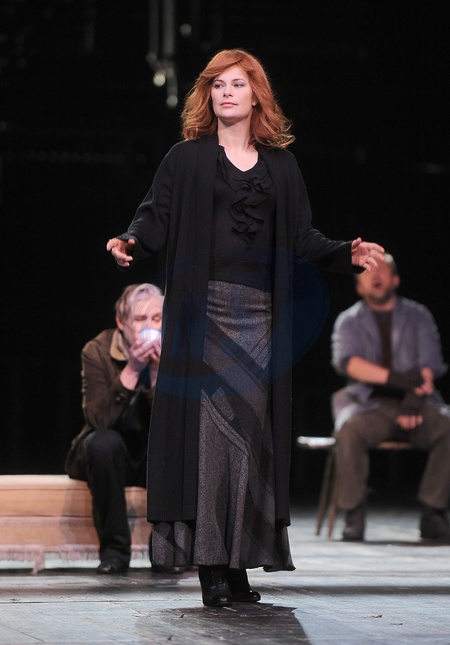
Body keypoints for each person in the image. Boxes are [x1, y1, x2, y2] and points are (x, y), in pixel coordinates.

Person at [106, 48, 384, 606]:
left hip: (259, 318)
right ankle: (211, 563)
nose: (226, 93)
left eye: (236, 84)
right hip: (204, 313)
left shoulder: (281, 166)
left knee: (251, 440)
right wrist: (130, 241)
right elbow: (154, 216)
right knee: (212, 439)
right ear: (207, 95)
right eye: (217, 85)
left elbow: (302, 236)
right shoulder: (186, 158)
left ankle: (239, 562)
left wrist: (344, 253)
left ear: (257, 95)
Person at [331, 253, 450, 542]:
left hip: (419, 402)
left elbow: (430, 364)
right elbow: (349, 363)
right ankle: (354, 511)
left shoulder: (418, 316)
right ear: (359, 287)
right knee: (350, 431)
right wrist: (400, 379)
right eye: (368, 271)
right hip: (370, 405)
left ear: (395, 279)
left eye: (383, 269)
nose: (376, 275)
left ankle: (433, 511)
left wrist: (412, 400)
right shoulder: (349, 321)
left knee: (448, 428)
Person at [65, 283, 165, 574]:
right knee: (102, 442)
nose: (150, 327)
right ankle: (114, 552)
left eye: (157, 319)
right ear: (122, 322)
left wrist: (156, 374)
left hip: (151, 454)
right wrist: (132, 369)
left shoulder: (176, 351)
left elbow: (177, 425)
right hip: (109, 457)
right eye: (140, 319)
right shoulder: (97, 350)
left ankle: (167, 551)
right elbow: (97, 419)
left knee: (176, 444)